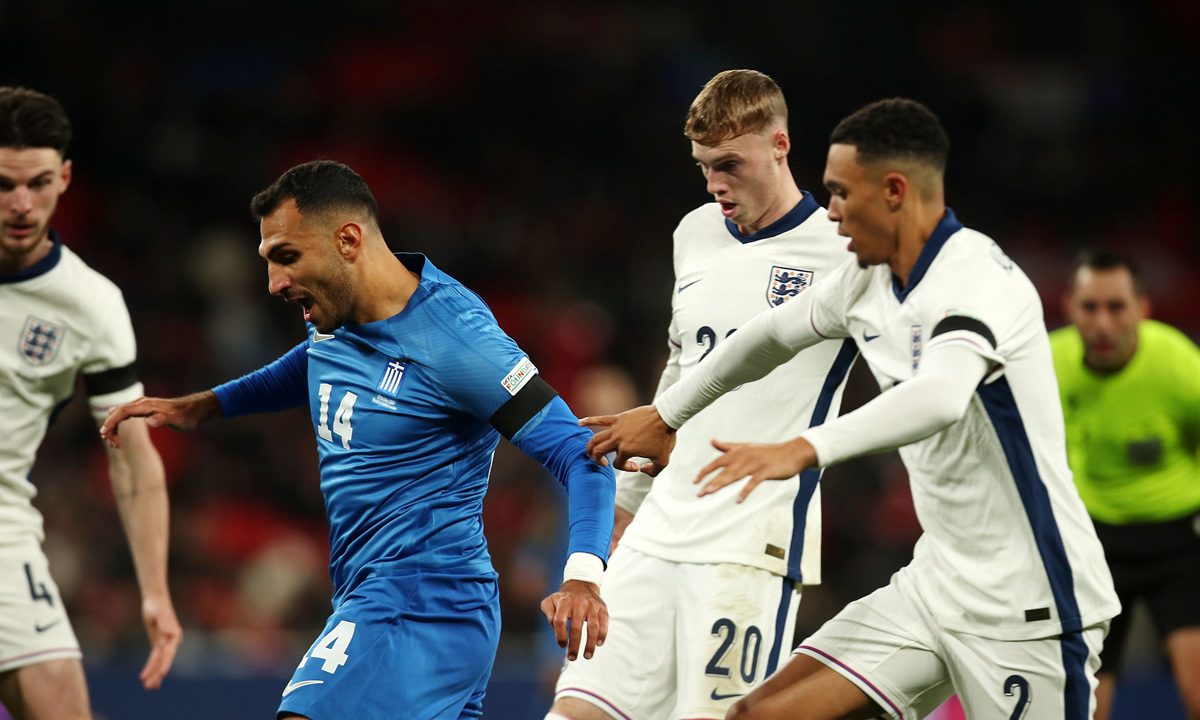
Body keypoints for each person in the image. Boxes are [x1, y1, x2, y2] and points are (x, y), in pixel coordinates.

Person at [583, 98, 1119, 719]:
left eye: (841, 192)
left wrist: (803, 448)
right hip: (935, 585)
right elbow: (765, 337)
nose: (830, 210)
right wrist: (667, 414)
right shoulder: (866, 279)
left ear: (894, 191)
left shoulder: (974, 278)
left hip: (1031, 603)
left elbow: (941, 396)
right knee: (757, 714)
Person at [100, 159, 616, 720]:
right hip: (385, 598)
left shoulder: (456, 340)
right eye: (269, 260)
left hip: (420, 600)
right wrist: (206, 405)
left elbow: (579, 455)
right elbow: (315, 362)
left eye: (287, 257)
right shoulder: (333, 310)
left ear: (348, 240)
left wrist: (583, 579)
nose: (274, 283)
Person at [548, 69, 857, 720]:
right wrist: (626, 507)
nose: (715, 183)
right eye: (704, 166)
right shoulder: (694, 232)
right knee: (573, 712)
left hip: (748, 547)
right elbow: (680, 368)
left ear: (780, 144)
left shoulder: (844, 248)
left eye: (730, 164)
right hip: (657, 533)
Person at [0, 86, 181, 719]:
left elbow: (133, 457)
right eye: (4, 185)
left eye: (38, 183)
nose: (22, 204)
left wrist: (154, 590)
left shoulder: (90, 305)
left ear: (65, 178)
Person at [1050, 250, 1200, 720]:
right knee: (1090, 704)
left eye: (1116, 307)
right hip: (1094, 544)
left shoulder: (1178, 362)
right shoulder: (1046, 363)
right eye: (1089, 307)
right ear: (1069, 307)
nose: (1102, 323)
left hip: (1178, 543)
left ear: (1143, 309)